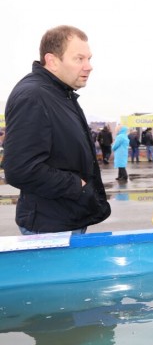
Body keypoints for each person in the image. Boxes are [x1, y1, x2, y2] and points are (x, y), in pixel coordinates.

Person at [1, 25, 110, 234]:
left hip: (66, 218)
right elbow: (19, 170)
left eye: (89, 59)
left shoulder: (60, 94)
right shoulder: (33, 96)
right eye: (79, 59)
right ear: (52, 61)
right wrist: (77, 186)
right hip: (50, 227)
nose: (89, 66)